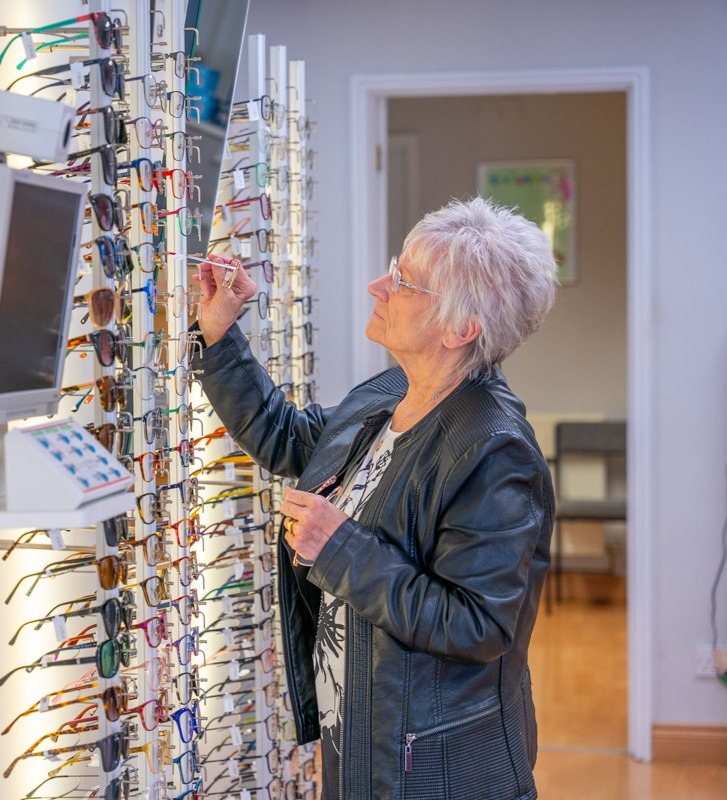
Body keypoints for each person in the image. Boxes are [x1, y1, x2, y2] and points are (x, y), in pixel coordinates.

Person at [192, 195, 558, 800]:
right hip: (367, 737)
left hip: (434, 770)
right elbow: (289, 438)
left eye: (403, 281)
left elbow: (478, 624)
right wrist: (221, 334)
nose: (377, 286)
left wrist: (340, 549)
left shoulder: (495, 451)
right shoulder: (390, 392)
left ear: (460, 328)